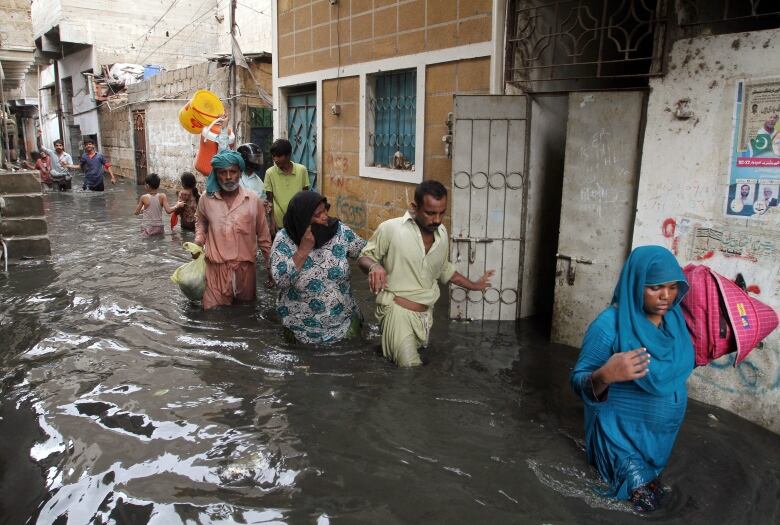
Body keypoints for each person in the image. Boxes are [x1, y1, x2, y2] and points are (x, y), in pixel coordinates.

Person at [570, 245, 694, 512]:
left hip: (656, 440)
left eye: (673, 287)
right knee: (650, 508)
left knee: (657, 496)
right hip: (619, 439)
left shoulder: (674, 322)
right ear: (635, 283)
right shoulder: (609, 325)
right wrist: (606, 374)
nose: (666, 296)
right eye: (655, 287)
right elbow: (577, 381)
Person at [357, 180, 494, 367]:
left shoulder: (442, 233)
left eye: (442, 213)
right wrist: (375, 267)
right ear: (414, 207)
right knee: (410, 370)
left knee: (412, 368)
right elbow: (363, 257)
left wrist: (475, 285)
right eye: (430, 213)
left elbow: (443, 269)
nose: (437, 219)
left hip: (425, 318)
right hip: (396, 314)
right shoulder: (391, 229)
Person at [270, 191, 367, 345]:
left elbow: (365, 251)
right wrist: (303, 250)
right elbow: (281, 280)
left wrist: (374, 266)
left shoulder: (339, 231)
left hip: (344, 324)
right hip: (299, 330)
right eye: (317, 214)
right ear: (302, 218)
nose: (325, 217)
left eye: (325, 210)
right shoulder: (284, 240)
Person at [194, 151, 272, 310]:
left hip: (245, 270)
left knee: (245, 312)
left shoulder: (253, 200)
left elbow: (264, 237)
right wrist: (198, 240)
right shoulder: (206, 199)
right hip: (215, 268)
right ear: (216, 175)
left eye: (233, 172)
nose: (228, 177)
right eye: (223, 172)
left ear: (240, 173)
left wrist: (270, 267)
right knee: (212, 312)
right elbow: (201, 222)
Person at [264, 139, 309, 234]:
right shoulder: (270, 173)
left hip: (298, 222)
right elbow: (269, 200)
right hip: (279, 224)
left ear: (288, 155)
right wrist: (271, 221)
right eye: (274, 156)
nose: (276, 159)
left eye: (279, 156)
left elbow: (306, 197)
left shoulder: (302, 170)